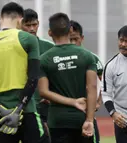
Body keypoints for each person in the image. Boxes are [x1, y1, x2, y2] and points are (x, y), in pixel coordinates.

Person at [0, 2, 49, 143]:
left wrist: (1, 110)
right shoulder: (28, 39)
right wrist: (18, 110)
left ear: (0, 19)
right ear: (20, 20)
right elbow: (33, 78)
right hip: (27, 110)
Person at [38, 12, 97, 143]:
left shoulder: (43, 59)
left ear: (49, 32)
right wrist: (90, 120)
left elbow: (43, 92)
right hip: (81, 119)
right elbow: (91, 87)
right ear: (70, 30)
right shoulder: (87, 56)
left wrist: (72, 101)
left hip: (57, 120)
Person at [21, 8, 54, 138]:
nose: (31, 29)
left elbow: (56, 74)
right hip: (22, 104)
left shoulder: (49, 47)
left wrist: (52, 94)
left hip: (44, 106)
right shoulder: (14, 47)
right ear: (20, 24)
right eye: (27, 25)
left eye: (34, 25)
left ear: (38, 24)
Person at [70, 20, 103, 143]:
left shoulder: (92, 58)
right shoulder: (58, 58)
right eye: (69, 39)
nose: (73, 43)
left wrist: (98, 102)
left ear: (82, 38)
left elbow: (102, 82)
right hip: (65, 114)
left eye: (75, 39)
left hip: (86, 114)